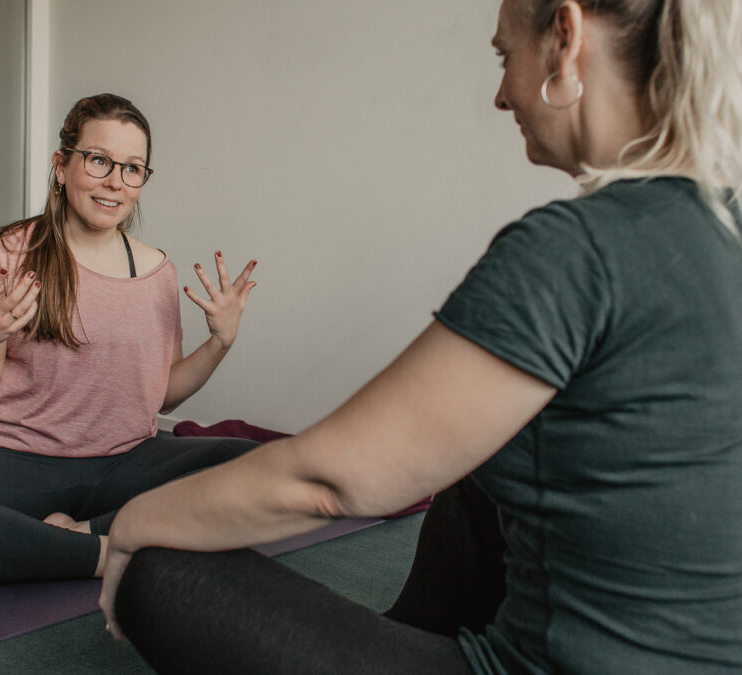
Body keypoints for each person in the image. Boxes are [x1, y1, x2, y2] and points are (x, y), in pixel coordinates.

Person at [99, 1, 742, 673]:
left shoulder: (575, 249)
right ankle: (405, 632)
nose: (501, 95)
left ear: (566, 37)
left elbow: (327, 482)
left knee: (161, 568)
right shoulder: (723, 225)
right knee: (477, 461)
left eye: (505, 56)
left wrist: (132, 526)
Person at [0, 93, 259, 583]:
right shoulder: (7, 254)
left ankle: (78, 533)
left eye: (133, 168)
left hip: (126, 463)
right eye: (99, 160)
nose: (116, 181)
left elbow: (163, 392)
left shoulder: (156, 271)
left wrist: (219, 343)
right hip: (20, 462)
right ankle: (109, 551)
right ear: (62, 165)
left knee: (259, 465)